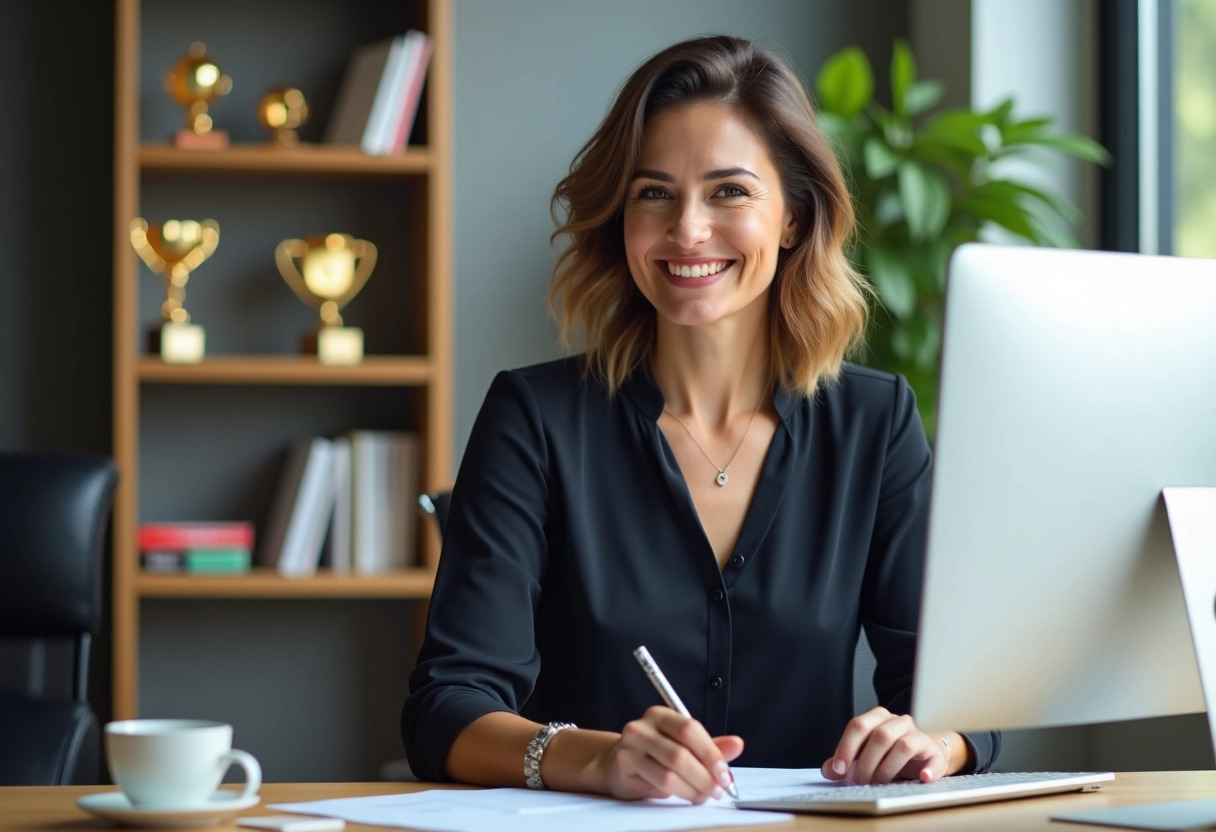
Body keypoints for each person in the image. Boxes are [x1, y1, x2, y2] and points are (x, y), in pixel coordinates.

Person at [402, 34, 1000, 804]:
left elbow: (960, 698)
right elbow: (446, 709)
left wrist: (935, 740)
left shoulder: (875, 422)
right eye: (654, 193)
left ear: (792, 218)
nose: (687, 230)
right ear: (621, 215)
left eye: (729, 192)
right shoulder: (534, 418)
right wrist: (598, 757)